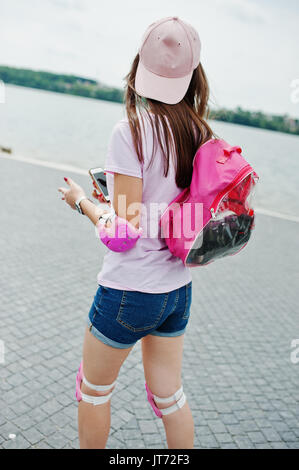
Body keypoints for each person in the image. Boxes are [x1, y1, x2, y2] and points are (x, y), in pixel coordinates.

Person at [58, 16, 213, 449]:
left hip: (129, 290)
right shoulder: (202, 136)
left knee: (93, 391)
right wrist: (115, 203)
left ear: (139, 69)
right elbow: (158, 213)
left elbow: (123, 234)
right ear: (192, 75)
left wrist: (83, 203)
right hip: (176, 291)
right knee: (169, 397)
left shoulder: (130, 131)